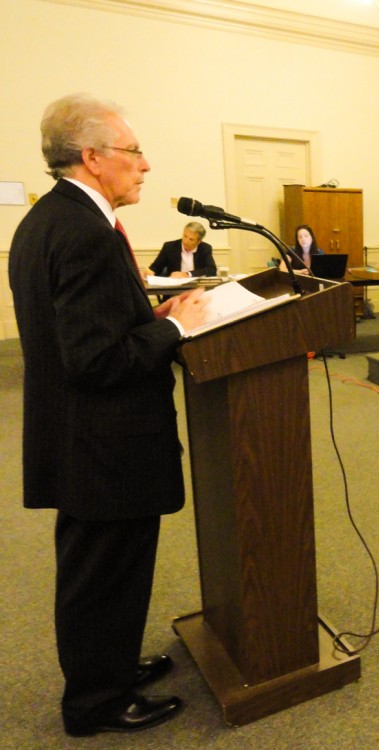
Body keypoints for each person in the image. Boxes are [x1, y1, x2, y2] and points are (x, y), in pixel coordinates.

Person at [8, 94, 209, 737]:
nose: (145, 164)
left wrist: (143, 322)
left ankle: (110, 667)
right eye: (132, 151)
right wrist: (171, 331)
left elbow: (82, 334)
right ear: (92, 158)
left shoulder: (51, 220)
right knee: (103, 575)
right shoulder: (85, 233)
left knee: (101, 569)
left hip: (78, 436)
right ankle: (95, 702)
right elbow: (95, 360)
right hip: (104, 441)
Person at [148, 221, 216, 278]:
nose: (186, 241)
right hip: (174, 289)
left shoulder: (205, 248)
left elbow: (211, 270)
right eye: (185, 236)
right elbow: (156, 267)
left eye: (191, 239)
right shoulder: (169, 247)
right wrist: (150, 271)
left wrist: (187, 274)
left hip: (196, 287)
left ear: (199, 242)